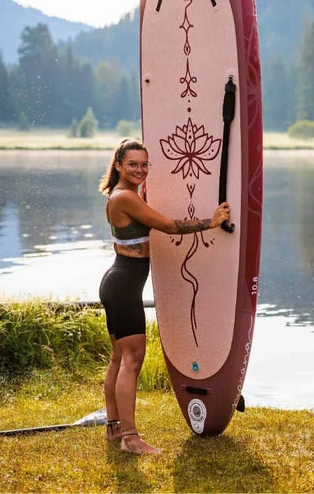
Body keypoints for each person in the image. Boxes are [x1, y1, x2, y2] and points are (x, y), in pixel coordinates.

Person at [98, 139, 231, 455]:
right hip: (123, 285)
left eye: (144, 164)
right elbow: (169, 227)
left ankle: (114, 428)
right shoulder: (124, 197)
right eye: (133, 164)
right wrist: (211, 222)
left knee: (119, 358)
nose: (140, 169)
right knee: (132, 360)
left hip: (117, 281)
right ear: (118, 165)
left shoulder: (125, 194)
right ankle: (130, 438)